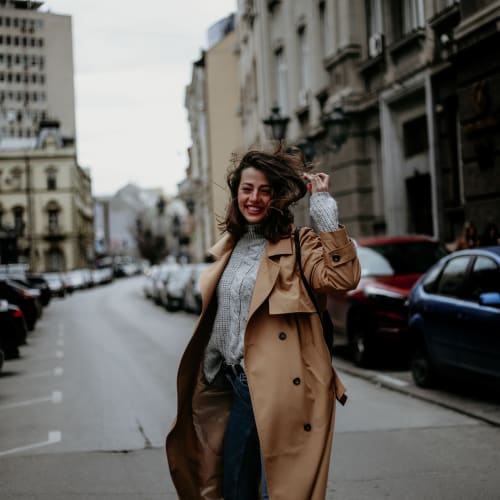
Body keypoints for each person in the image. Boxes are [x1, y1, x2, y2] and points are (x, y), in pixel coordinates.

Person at [166, 145, 361, 500]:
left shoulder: (299, 245)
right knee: (231, 484)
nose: (253, 198)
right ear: (236, 193)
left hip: (278, 387)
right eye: (246, 189)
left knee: (266, 489)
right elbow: (227, 313)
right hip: (231, 382)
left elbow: (341, 279)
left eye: (264, 190)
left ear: (277, 196)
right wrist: (211, 362)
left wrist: (323, 208)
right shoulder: (231, 246)